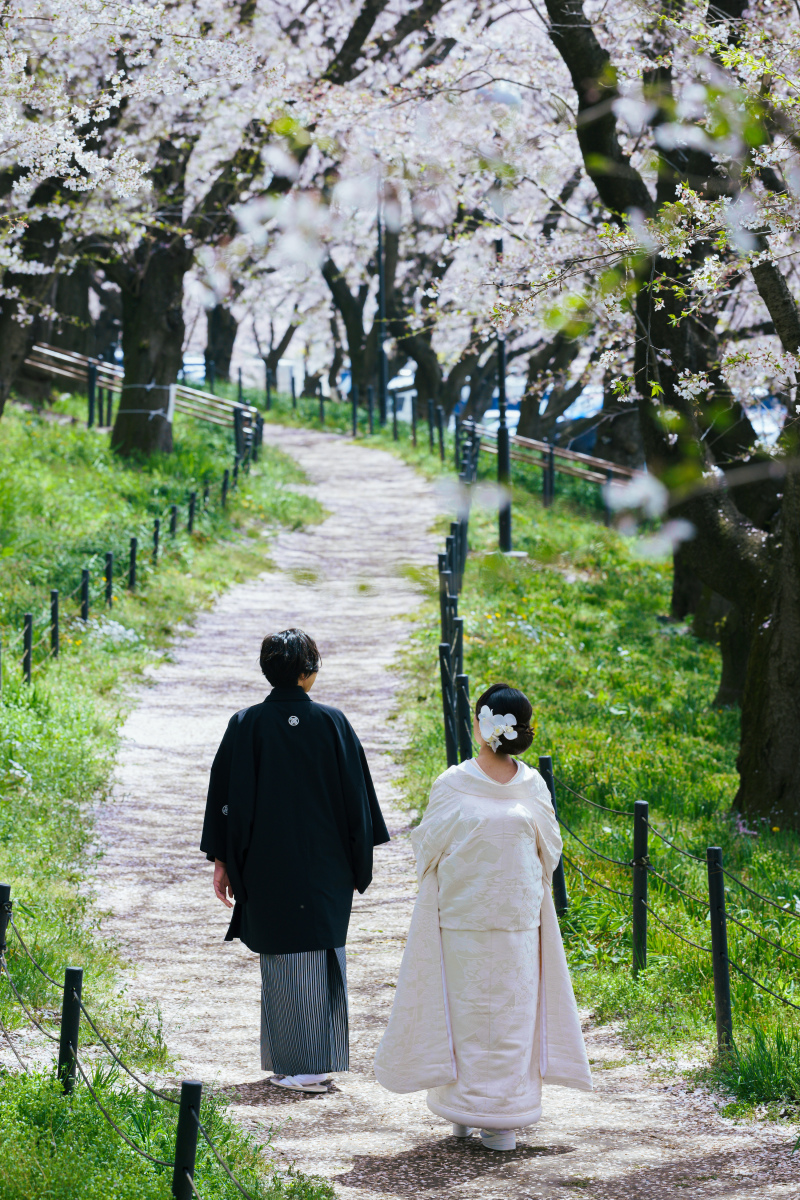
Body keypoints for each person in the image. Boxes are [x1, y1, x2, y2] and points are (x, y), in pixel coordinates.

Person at [374, 683, 592, 1149]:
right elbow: (543, 851)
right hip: (462, 924)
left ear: (481, 726)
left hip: (515, 924)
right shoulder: (454, 782)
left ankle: (502, 1116)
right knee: (463, 1015)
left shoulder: (530, 784)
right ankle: (461, 1107)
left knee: (512, 1018)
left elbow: (547, 849)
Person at [201, 628, 389, 1094]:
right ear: (309, 672)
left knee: (283, 955)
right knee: (314, 954)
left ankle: (308, 1065)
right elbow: (358, 801)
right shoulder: (333, 723)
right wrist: (357, 858)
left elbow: (224, 799)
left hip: (265, 863)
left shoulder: (246, 724)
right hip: (325, 863)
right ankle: (297, 1062)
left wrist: (223, 860)